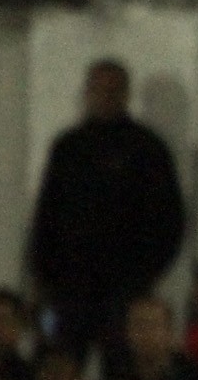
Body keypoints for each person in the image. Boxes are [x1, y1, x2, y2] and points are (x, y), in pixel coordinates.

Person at [28, 60, 186, 362]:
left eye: (113, 90)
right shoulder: (67, 148)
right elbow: (47, 216)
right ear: (86, 93)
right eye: (99, 89)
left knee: (122, 369)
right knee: (61, 364)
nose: (106, 96)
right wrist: (43, 276)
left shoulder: (148, 150)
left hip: (124, 289)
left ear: (127, 94)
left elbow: (170, 220)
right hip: (70, 287)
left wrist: (143, 274)